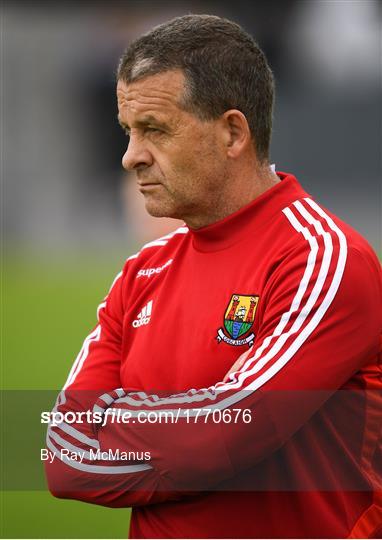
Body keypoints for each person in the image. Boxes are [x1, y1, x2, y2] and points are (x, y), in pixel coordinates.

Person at [44, 14, 382, 539]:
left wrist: (123, 419)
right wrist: (195, 435)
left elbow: (234, 429)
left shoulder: (324, 260)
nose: (131, 156)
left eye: (154, 129)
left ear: (232, 132)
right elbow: (63, 454)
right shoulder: (141, 273)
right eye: (128, 131)